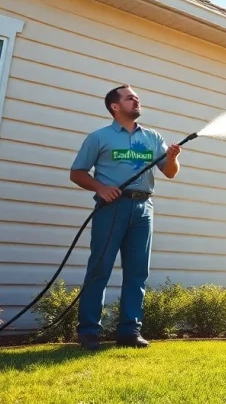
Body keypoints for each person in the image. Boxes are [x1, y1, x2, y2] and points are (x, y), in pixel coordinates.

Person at [69, 84, 181, 350]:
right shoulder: (99, 137)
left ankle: (130, 332)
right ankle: (89, 333)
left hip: (143, 209)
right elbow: (77, 172)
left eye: (137, 98)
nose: (136, 101)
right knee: (99, 269)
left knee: (137, 272)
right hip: (111, 208)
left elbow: (171, 172)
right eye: (130, 98)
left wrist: (174, 157)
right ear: (115, 106)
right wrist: (101, 188)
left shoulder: (153, 137)